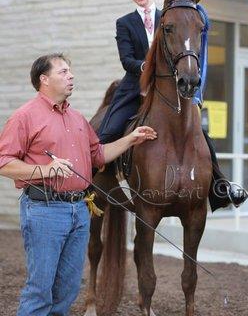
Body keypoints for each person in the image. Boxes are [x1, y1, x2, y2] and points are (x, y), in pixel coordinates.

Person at [0, 53, 157, 316]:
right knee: (40, 289)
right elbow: (4, 162)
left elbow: (99, 156)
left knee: (68, 288)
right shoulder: (24, 116)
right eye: (63, 72)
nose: (70, 76)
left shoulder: (77, 119)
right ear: (44, 79)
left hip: (80, 211)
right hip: (44, 211)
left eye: (70, 71)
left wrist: (131, 139)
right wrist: (44, 169)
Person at [98, 0, 248, 211]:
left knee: (200, 133)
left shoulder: (170, 16)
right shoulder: (124, 23)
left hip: (169, 88)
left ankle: (221, 185)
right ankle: (91, 179)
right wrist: (148, 66)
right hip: (135, 86)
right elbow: (126, 60)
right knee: (109, 130)